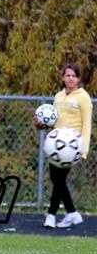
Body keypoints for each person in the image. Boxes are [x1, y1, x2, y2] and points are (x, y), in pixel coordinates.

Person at [34, 63, 92, 228]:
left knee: (59, 179)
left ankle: (51, 215)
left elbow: (87, 124)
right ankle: (72, 213)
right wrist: (41, 124)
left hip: (72, 146)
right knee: (56, 179)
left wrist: (83, 150)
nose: (70, 78)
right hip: (56, 144)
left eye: (74, 76)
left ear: (78, 79)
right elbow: (53, 120)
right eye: (67, 75)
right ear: (62, 78)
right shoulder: (58, 96)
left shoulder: (83, 97)